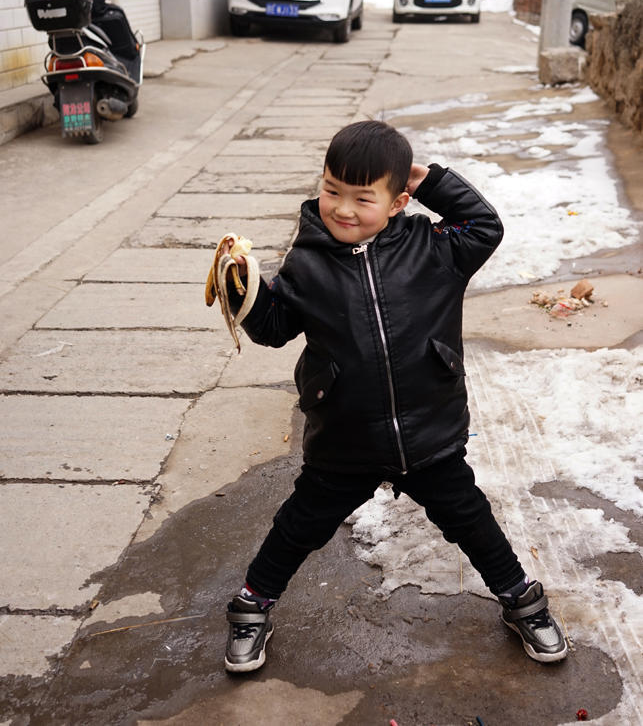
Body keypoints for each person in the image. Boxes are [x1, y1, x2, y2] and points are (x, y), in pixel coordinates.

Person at [222, 119, 567, 673]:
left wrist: (429, 177)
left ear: (399, 199)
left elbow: (484, 224)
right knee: (299, 526)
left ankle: (522, 601)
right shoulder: (306, 261)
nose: (343, 209)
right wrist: (245, 289)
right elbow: (274, 326)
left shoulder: (435, 249)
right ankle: (251, 605)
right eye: (333, 190)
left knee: (471, 521)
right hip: (345, 436)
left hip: (429, 432)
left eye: (364, 197)